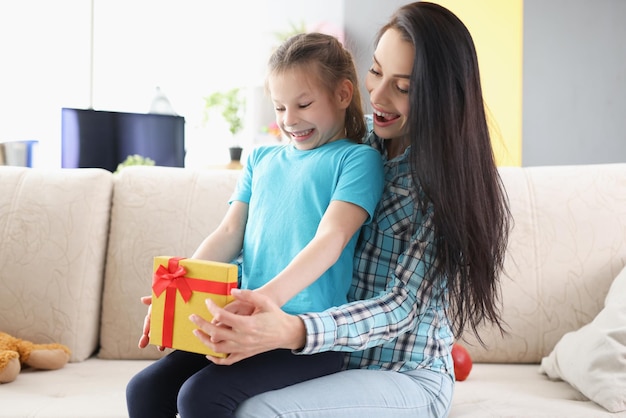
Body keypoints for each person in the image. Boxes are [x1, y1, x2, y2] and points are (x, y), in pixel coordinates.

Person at [190, 2, 513, 418]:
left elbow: (399, 306)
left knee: (254, 410)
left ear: (440, 97)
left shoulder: (445, 188)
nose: (377, 95)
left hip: (401, 373)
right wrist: (191, 291)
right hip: (325, 357)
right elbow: (273, 232)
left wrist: (293, 329)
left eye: (404, 87)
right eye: (376, 71)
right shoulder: (347, 143)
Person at [126, 32, 384, 418]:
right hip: (242, 321)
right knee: (144, 390)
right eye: (279, 108)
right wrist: (179, 288)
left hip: (304, 336)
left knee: (200, 396)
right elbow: (230, 232)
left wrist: (268, 298)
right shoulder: (261, 159)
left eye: (303, 104)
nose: (289, 120)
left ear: (343, 94)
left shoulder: (357, 160)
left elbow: (333, 237)